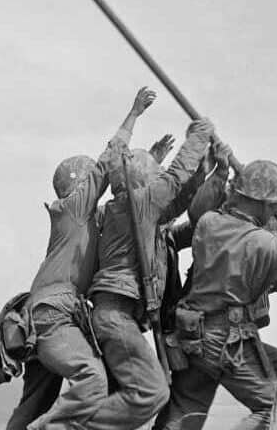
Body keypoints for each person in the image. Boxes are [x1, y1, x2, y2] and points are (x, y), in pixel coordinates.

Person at [157, 151, 277, 430]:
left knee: (185, 413)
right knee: (276, 413)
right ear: (262, 203)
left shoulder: (209, 224)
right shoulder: (264, 245)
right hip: (226, 339)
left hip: (191, 334)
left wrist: (222, 171)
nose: (275, 212)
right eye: (274, 205)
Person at [9, 87, 157, 430]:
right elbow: (108, 163)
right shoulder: (74, 209)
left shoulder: (84, 220)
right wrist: (133, 115)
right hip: (54, 316)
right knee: (93, 380)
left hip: (51, 315)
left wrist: (152, 159)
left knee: (34, 402)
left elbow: (128, 195)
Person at [84, 111, 216, 430]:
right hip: (116, 316)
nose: (159, 181)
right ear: (143, 181)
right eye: (154, 176)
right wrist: (198, 136)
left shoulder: (131, 210)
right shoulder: (138, 203)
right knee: (153, 392)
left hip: (120, 316)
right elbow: (174, 179)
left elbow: (179, 199)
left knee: (128, 395)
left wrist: (207, 169)